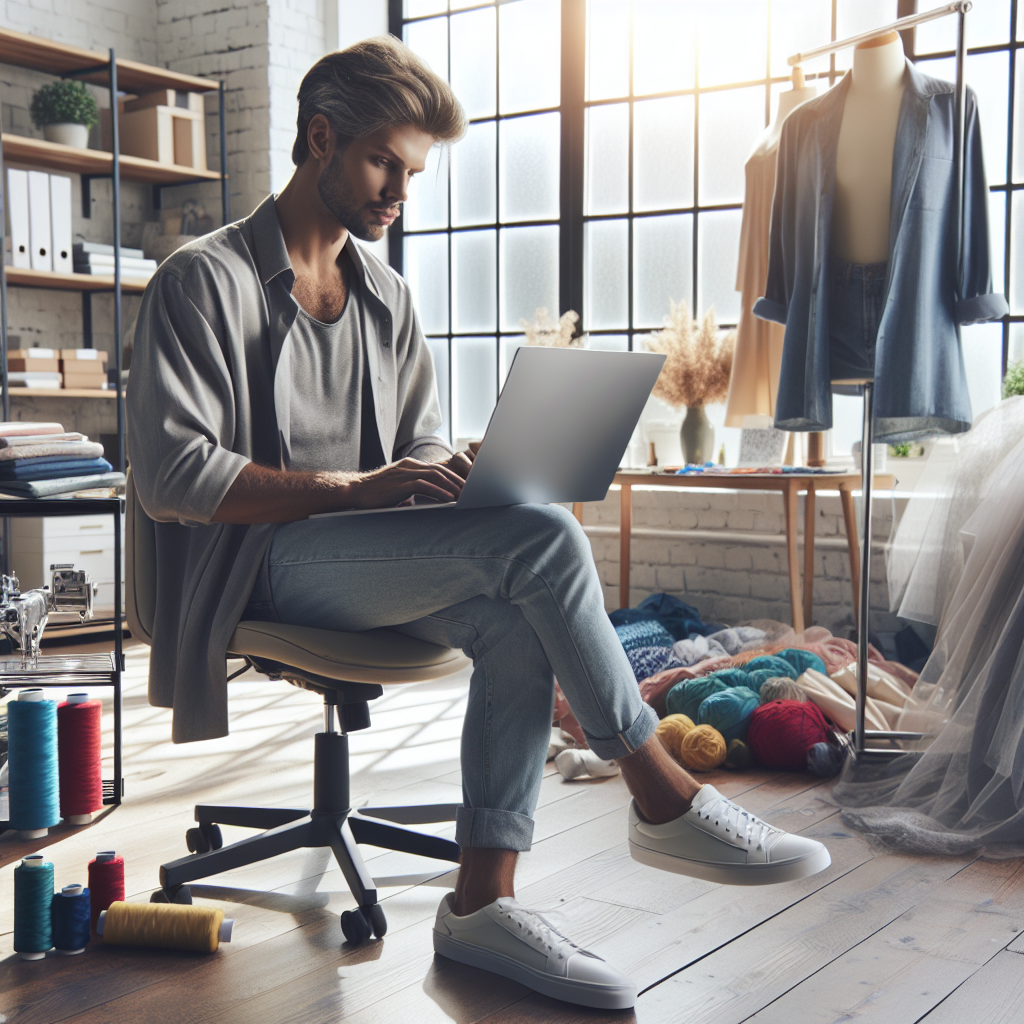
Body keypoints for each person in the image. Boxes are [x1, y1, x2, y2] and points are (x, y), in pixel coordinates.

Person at [128, 36, 829, 1011]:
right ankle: (660, 791)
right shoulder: (201, 283)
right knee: (545, 543)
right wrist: (363, 486)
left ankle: (481, 905)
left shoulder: (387, 295)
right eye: (383, 162)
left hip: (366, 553)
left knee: (517, 597)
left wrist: (463, 475)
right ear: (319, 140)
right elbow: (173, 474)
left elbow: (410, 458)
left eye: (412, 171)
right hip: (255, 564)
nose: (399, 191)